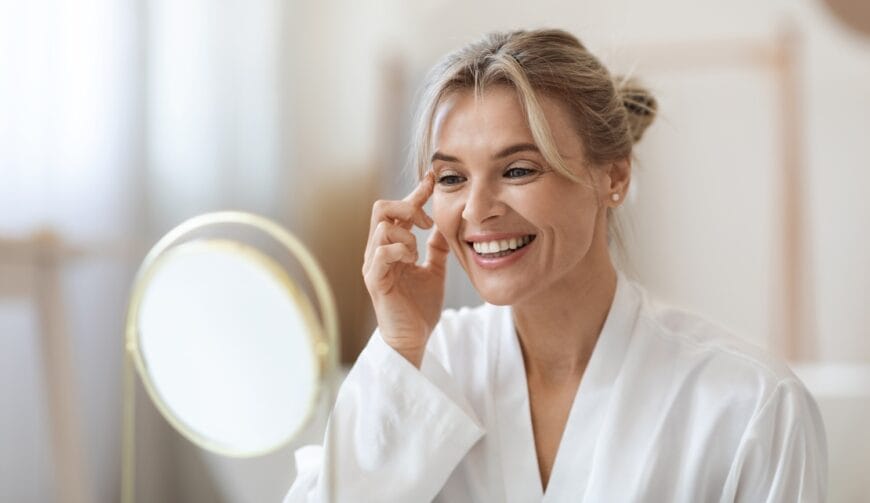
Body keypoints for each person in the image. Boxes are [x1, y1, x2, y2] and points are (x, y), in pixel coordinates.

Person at [284, 28, 827, 502]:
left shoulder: (750, 404)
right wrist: (401, 346)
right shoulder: (426, 367)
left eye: (518, 170)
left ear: (614, 178)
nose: (476, 210)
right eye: (451, 178)